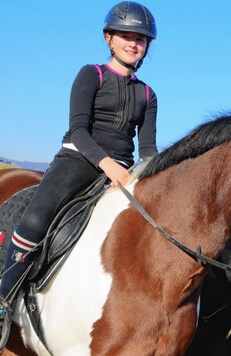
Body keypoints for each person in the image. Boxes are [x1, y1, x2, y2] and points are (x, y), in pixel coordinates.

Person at [0, 1, 158, 348]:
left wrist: (151, 175)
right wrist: (107, 164)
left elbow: (147, 148)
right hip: (78, 160)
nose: (133, 43)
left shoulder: (148, 94)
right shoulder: (92, 74)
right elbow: (79, 129)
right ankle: (3, 299)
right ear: (109, 39)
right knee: (37, 219)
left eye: (141, 39)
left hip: (123, 173)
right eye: (126, 36)